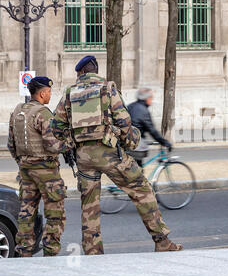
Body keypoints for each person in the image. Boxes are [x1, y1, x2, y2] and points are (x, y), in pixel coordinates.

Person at [52, 55, 183, 254]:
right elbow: (124, 121)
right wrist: (124, 141)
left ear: (80, 73)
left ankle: (93, 251)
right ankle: (162, 242)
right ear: (95, 70)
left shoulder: (69, 93)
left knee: (89, 206)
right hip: (111, 155)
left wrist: (71, 143)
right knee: (142, 190)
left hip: (84, 159)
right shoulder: (107, 89)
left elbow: (56, 126)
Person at [8, 76, 71, 257]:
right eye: (49, 92)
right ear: (43, 93)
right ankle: (50, 253)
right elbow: (52, 145)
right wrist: (67, 145)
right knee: (55, 213)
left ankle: (24, 252)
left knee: (26, 211)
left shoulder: (17, 111)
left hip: (26, 170)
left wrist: (23, 161)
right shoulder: (43, 113)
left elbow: (11, 145)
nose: (50, 96)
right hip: (46, 171)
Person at [127, 87, 172, 167]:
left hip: (127, 142)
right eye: (151, 97)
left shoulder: (130, 106)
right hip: (136, 144)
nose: (152, 100)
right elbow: (152, 130)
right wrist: (164, 142)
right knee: (138, 172)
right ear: (146, 98)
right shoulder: (143, 111)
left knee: (134, 168)